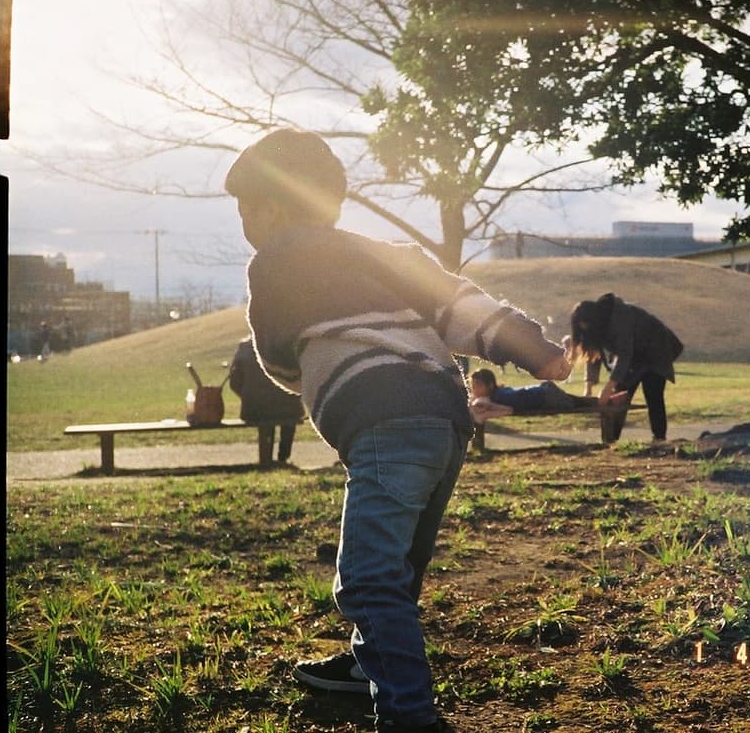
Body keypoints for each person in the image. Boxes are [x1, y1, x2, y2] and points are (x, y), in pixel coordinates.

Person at [225, 128, 569, 733]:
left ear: (272, 207)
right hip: (445, 419)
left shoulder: (273, 262)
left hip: (383, 421)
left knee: (366, 577)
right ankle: (368, 665)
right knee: (399, 566)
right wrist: (537, 352)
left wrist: (310, 372)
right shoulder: (390, 255)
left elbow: (275, 358)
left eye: (244, 208)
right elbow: (462, 306)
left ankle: (409, 714)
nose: (244, 222)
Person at [569, 293, 684, 442]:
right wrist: (589, 386)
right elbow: (593, 356)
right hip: (634, 355)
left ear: (594, 320)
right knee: (619, 397)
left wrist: (609, 386)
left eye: (586, 326)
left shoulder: (620, 319)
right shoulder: (594, 326)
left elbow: (625, 355)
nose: (585, 330)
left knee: (653, 393)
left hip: (656, 349)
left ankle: (659, 439)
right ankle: (610, 441)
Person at [228, 336, 305, 464]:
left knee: (268, 414)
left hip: (254, 409)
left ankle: (267, 459)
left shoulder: (244, 347)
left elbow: (234, 382)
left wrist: (248, 397)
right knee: (289, 413)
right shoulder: (287, 346)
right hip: (287, 409)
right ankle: (283, 457)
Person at [467, 367, 604, 422]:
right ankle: (608, 399)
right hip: (545, 391)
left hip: (547, 397)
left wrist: (489, 407)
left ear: (490, 385)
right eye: (472, 387)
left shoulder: (498, 397)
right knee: (583, 402)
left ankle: (608, 400)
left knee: (580, 404)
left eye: (477, 386)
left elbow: (509, 410)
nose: (474, 390)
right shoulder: (497, 393)